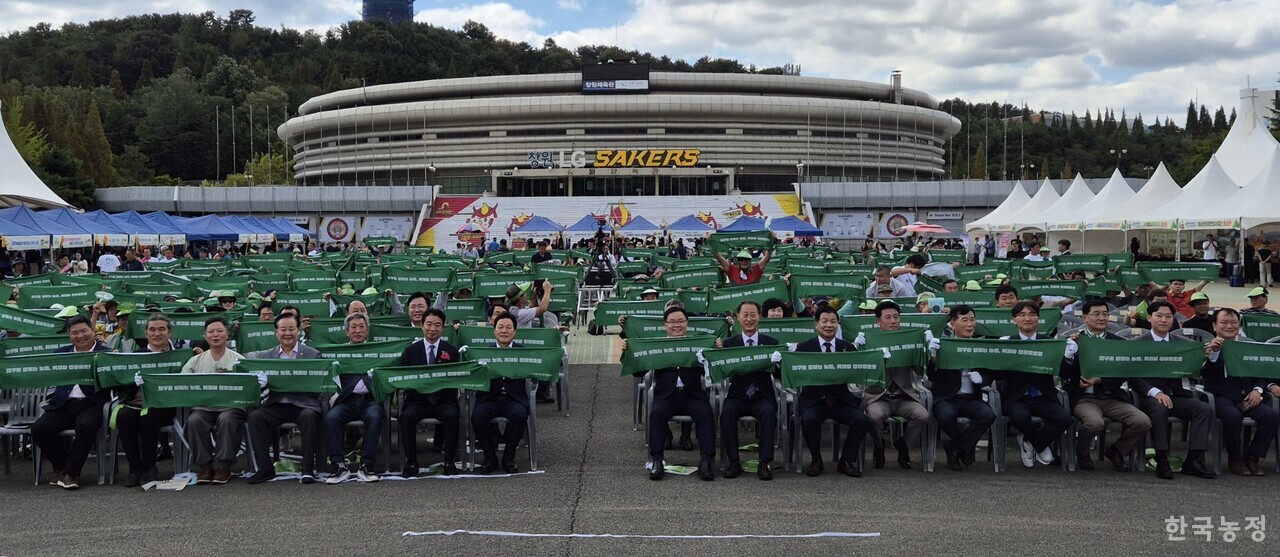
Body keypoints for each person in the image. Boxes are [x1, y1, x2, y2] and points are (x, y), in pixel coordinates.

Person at [1128, 301, 1216, 480]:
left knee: (1203, 408)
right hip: (1148, 396)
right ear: (1150, 318)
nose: (1164, 320)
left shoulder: (1183, 343)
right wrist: (1155, 392)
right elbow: (1133, 376)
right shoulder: (1137, 344)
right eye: (1159, 316)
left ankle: (1193, 460)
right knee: (1159, 406)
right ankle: (1161, 458)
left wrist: (1203, 358)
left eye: (1168, 317)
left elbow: (1194, 373)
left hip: (1176, 395)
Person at [1062, 299, 1151, 472]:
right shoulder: (1074, 340)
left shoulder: (1118, 343)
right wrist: (1069, 355)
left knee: (1142, 421)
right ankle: (1082, 452)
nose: (1101, 318)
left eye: (1105, 314)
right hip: (1084, 398)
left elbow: (1123, 373)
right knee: (1094, 423)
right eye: (1096, 314)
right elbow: (1063, 373)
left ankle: (1116, 451)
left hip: (1112, 396)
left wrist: (1100, 380)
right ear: (1085, 318)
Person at [629, 306, 716, 481]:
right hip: (666, 395)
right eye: (673, 322)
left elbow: (715, 370)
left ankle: (706, 460)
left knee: (706, 413)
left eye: (681, 321)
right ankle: (657, 460)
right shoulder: (658, 345)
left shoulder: (698, 344)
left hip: (693, 394)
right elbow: (638, 372)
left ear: (687, 324)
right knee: (656, 413)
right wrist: (628, 351)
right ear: (665, 325)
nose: (677, 325)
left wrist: (713, 353)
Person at [31, 316, 111, 489]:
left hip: (92, 402)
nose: (80, 336)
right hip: (64, 403)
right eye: (75, 333)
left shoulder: (107, 353)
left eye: (84, 331)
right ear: (69, 335)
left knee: (87, 426)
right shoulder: (60, 354)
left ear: (92, 330)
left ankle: (70, 474)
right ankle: (63, 465)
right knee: (39, 429)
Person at [244, 314, 324, 484]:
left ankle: (308, 469)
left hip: (303, 403)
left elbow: (319, 384)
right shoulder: (266, 356)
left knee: (310, 416)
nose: (287, 333)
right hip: (276, 403)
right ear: (276, 332)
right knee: (256, 417)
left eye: (291, 329)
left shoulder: (312, 354)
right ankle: (265, 469)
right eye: (283, 329)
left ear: (298, 330)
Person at [1202, 308, 1278, 476]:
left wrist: (1257, 390)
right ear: (1214, 325)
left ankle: (1253, 457)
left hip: (1247, 396)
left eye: (1233, 322)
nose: (1229, 326)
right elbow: (1204, 373)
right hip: (1221, 396)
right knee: (1232, 416)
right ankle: (1235, 460)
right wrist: (1212, 354)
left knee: (1271, 416)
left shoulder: (1249, 344)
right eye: (1224, 322)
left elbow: (1260, 371)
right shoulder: (1208, 346)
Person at [795, 305, 869, 478]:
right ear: (816, 324)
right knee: (808, 419)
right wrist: (778, 363)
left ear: (838, 324)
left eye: (833, 321)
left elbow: (860, 372)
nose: (829, 325)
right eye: (824, 321)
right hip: (814, 400)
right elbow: (789, 372)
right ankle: (816, 460)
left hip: (840, 399)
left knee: (861, 420)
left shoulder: (847, 348)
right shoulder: (804, 347)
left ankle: (846, 460)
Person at [998, 301, 1073, 469]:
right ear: (1014, 320)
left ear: (1038, 319)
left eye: (1032, 314)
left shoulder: (1049, 343)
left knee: (1064, 418)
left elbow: (1065, 374)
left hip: (1043, 396)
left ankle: (1030, 442)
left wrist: (1067, 357)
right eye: (1022, 315)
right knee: (1019, 417)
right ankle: (1041, 444)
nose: (1027, 318)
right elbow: (998, 374)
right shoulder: (1007, 342)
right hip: (1017, 397)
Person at [859, 301, 930, 470]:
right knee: (874, 416)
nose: (893, 321)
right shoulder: (869, 340)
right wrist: (861, 350)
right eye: (888, 317)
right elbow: (860, 372)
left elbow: (920, 370)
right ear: (878, 321)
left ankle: (904, 447)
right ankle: (879, 446)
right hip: (878, 396)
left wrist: (927, 351)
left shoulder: (908, 340)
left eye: (896, 317)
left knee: (922, 415)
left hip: (904, 396)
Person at [117, 314, 183, 488]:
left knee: (148, 417)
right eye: (152, 329)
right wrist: (133, 381)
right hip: (136, 402)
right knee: (123, 417)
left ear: (169, 332)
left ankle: (149, 467)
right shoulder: (135, 356)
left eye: (162, 329)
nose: (157, 333)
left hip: (165, 404)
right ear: (146, 333)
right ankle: (134, 468)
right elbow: (120, 385)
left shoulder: (179, 355)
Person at [716, 301, 779, 480]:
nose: (749, 319)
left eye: (753, 315)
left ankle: (764, 462)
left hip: (762, 395)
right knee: (726, 413)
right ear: (738, 317)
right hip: (738, 396)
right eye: (745, 315)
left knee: (768, 413)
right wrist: (716, 355)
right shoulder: (729, 344)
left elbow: (780, 376)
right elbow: (720, 372)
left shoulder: (771, 343)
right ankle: (734, 461)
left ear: (759, 316)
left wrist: (780, 362)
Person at [928, 305, 996, 471]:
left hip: (971, 397)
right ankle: (965, 447)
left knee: (988, 415)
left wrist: (983, 378)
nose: (969, 324)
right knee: (945, 415)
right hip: (947, 397)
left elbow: (991, 372)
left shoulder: (981, 345)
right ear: (952, 324)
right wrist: (933, 358)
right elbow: (932, 376)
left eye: (972, 319)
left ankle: (956, 447)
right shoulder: (943, 344)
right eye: (964, 320)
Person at [182, 316, 248, 485]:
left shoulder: (239, 360)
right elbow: (183, 384)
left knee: (226, 420)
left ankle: (223, 466)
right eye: (211, 332)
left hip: (231, 407)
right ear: (206, 336)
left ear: (227, 335)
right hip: (204, 407)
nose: (215, 335)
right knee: (194, 421)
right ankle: (205, 466)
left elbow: (248, 386)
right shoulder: (194, 361)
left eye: (220, 331)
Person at [397, 308, 462, 477]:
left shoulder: (452, 351)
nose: (432, 329)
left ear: (443, 328)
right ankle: (411, 462)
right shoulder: (410, 351)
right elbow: (403, 377)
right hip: (418, 401)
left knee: (452, 415)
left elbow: (456, 379)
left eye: (437, 325)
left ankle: (449, 461)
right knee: (406, 416)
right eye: (429, 324)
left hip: (442, 401)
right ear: (422, 326)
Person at [323, 313, 384, 484]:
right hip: (346, 401)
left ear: (367, 330)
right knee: (331, 417)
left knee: (375, 415)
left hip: (369, 400)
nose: (358, 331)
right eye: (353, 327)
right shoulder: (339, 352)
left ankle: (367, 465)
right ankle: (339, 465)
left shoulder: (377, 351)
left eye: (361, 327)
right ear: (347, 332)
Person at [471, 313, 531, 473]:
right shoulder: (483, 353)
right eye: (500, 327)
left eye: (508, 327)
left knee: (519, 415)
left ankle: (508, 458)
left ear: (515, 331)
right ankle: (490, 458)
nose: (504, 331)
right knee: (477, 416)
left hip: (514, 398)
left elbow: (542, 367)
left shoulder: (524, 352)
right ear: (494, 330)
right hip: (489, 398)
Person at [506, 281, 556, 404]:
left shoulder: (517, 309)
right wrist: (547, 289)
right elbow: (542, 308)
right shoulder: (519, 313)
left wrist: (534, 296)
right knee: (547, 359)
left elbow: (532, 308)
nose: (526, 296)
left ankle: (540, 389)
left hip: (523, 347)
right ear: (520, 300)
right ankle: (539, 390)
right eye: (525, 295)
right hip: (522, 351)